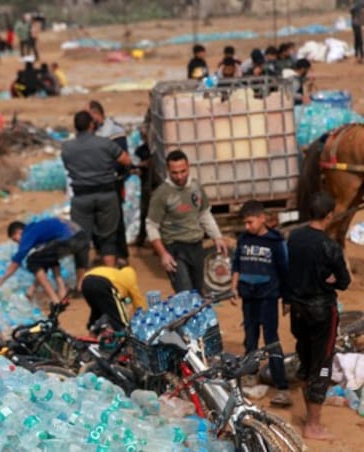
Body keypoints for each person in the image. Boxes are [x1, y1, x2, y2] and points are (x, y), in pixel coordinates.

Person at [284, 191, 350, 441]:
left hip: (298, 310)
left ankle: (309, 413)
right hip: (322, 311)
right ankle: (313, 425)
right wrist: (331, 279)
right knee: (322, 367)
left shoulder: (295, 237)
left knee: (305, 357)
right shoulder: (329, 246)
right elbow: (343, 281)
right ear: (330, 215)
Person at [230, 200, 291, 407]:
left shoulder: (275, 241)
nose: (248, 227)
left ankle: (281, 384)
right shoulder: (244, 240)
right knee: (250, 337)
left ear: (262, 218)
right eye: (245, 223)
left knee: (271, 339)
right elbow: (236, 264)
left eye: (250, 222)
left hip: (269, 297)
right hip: (248, 297)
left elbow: (284, 271)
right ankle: (250, 374)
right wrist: (233, 287)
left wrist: (287, 299)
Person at [146, 150, 227, 294]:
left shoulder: (196, 187)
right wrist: (163, 254)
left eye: (183, 171)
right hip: (175, 249)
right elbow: (151, 226)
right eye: (175, 173)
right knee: (185, 294)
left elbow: (204, 214)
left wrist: (217, 236)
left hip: (196, 246)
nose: (179, 176)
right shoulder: (161, 194)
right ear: (168, 170)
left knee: (198, 292)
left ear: (188, 167)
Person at [61, 111, 131, 268]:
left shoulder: (67, 148)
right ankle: (110, 276)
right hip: (106, 195)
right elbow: (126, 160)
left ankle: (81, 281)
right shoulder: (105, 143)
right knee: (108, 238)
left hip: (81, 198)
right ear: (91, 125)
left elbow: (68, 167)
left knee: (80, 238)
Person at [0, 218, 89, 304]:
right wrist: (32, 288)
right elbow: (46, 259)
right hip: (83, 237)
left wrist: (1, 281)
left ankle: (55, 300)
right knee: (47, 257)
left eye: (15, 240)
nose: (18, 243)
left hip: (69, 239)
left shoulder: (28, 233)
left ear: (19, 232)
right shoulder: (41, 228)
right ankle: (62, 292)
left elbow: (17, 259)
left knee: (32, 261)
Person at [88, 100, 130, 264]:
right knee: (95, 219)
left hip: (113, 181)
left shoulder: (114, 131)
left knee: (116, 219)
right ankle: (101, 251)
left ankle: (121, 254)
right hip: (95, 182)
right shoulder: (91, 133)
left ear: (98, 115)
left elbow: (122, 158)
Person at [80, 265, 146, 333]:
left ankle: (92, 330)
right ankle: (124, 333)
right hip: (104, 283)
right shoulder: (130, 280)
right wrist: (144, 317)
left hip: (86, 282)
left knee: (98, 310)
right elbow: (139, 302)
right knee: (120, 318)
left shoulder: (116, 274)